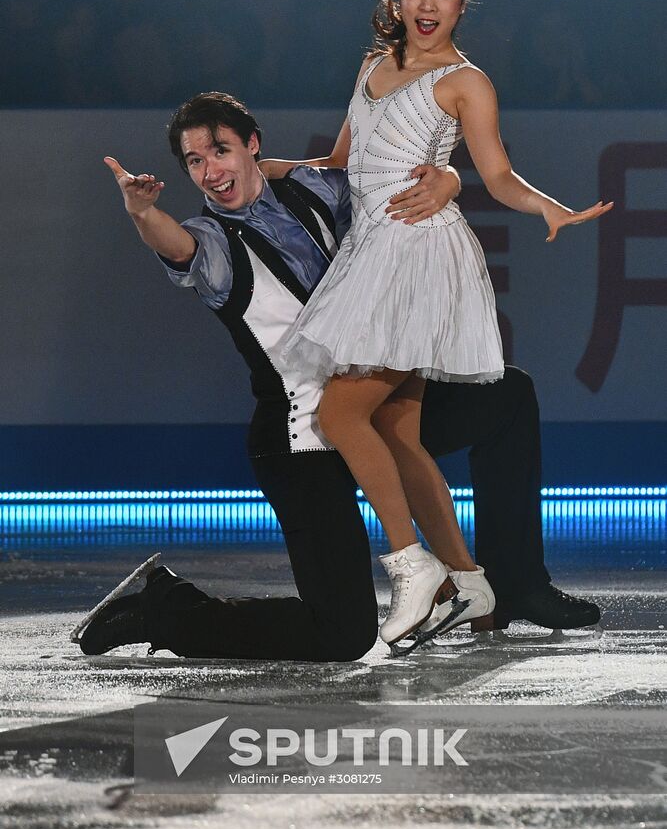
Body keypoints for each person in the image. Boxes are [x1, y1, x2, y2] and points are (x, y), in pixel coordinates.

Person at [77, 87, 602, 662]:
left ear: (252, 145)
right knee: (343, 635)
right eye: (195, 162)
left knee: (508, 396)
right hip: (303, 441)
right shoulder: (212, 242)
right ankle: (167, 609)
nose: (210, 172)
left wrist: (447, 177)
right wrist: (143, 213)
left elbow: (390, 180)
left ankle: (516, 584)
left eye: (220, 151)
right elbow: (175, 246)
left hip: (371, 410)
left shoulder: (313, 190)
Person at [262, 0, 612, 650]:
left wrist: (545, 205)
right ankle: (470, 585)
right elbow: (340, 162)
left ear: (461, 4)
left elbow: (498, 173)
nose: (427, 5)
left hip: (419, 257)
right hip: (370, 255)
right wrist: (265, 167)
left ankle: (410, 566)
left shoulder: (465, 81)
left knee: (339, 411)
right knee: (396, 431)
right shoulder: (371, 65)